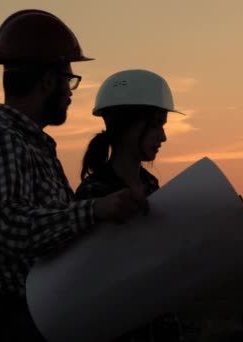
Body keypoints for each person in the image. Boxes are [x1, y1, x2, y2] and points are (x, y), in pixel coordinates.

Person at [0, 10, 148, 342]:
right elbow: (15, 228)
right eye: (69, 80)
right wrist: (96, 209)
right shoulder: (0, 140)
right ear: (47, 81)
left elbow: (55, 233)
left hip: (39, 317)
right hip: (8, 323)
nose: (72, 92)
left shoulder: (35, 146)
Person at [75, 69, 184, 341]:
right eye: (157, 124)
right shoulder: (93, 194)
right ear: (130, 126)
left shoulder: (151, 185)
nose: (163, 137)